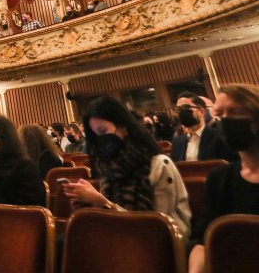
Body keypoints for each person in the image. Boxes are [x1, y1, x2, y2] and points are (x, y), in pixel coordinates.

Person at [63, 96, 191, 239]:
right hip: (120, 240)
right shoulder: (108, 167)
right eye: (95, 135)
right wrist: (88, 206)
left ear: (123, 127)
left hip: (162, 243)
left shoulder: (158, 165)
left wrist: (102, 203)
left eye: (103, 131)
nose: (101, 140)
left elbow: (158, 226)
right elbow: (110, 220)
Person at [188, 86, 259, 273]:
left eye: (235, 112)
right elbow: (203, 241)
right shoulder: (218, 179)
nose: (225, 121)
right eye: (220, 114)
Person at [172, 92, 235, 162]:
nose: (182, 112)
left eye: (186, 108)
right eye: (178, 109)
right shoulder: (177, 141)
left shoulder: (220, 137)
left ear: (201, 111)